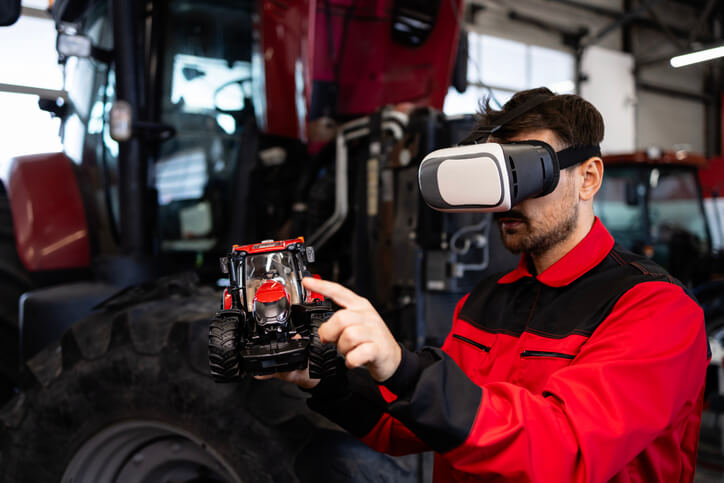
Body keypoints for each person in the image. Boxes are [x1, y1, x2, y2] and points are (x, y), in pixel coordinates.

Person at [260, 87, 710, 482]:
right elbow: (423, 425)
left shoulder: (655, 310)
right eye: (498, 176)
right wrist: (325, 380)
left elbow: (563, 452)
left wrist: (407, 370)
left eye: (526, 174)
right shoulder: (487, 300)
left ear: (588, 178)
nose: (506, 201)